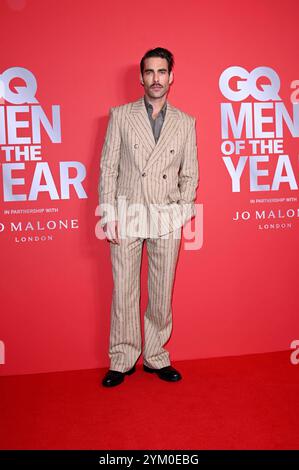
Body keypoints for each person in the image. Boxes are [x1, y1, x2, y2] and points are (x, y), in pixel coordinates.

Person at [98, 47, 199, 387]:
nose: (156, 78)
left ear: (171, 77)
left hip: (165, 215)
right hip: (127, 212)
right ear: (141, 77)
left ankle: (156, 356)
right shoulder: (121, 115)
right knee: (124, 290)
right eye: (149, 72)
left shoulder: (186, 123)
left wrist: (182, 211)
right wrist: (108, 212)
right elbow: (108, 168)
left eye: (162, 72)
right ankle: (122, 358)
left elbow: (191, 173)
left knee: (160, 290)